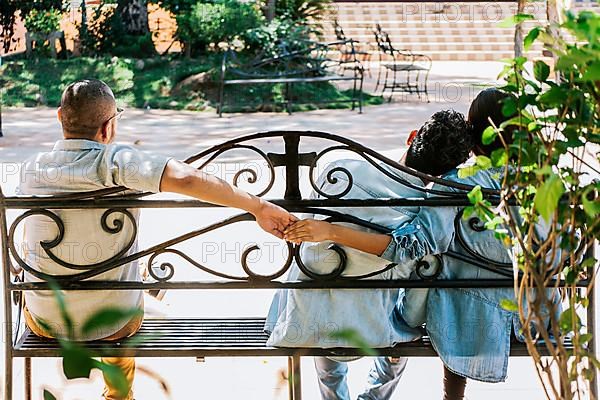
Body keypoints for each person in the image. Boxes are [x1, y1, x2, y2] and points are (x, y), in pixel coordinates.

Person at [18, 79, 296, 400]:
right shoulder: (117, 162)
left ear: (59, 118)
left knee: (114, 277)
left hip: (45, 320)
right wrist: (257, 206)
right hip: (114, 323)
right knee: (123, 300)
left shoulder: (31, 168)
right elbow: (188, 178)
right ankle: (118, 395)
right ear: (108, 128)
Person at [285, 88, 561, 399]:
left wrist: (329, 232)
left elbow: (415, 247)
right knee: (423, 280)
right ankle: (377, 393)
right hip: (539, 316)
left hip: (470, 321)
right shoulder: (548, 179)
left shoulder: (458, 183)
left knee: (424, 274)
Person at [267, 109, 473, 400]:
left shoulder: (340, 169)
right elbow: (412, 252)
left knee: (322, 277)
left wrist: (330, 233)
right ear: (445, 172)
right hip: (377, 326)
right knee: (409, 305)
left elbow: (306, 236)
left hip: (308, 319)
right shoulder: (421, 210)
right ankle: (374, 397)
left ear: (411, 137)